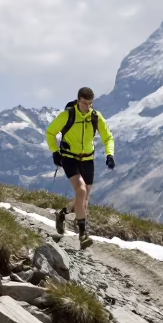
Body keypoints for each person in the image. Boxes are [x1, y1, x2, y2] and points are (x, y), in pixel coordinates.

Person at [45, 86, 115, 249]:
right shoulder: (67, 115)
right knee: (81, 191)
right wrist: (55, 152)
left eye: (90, 104)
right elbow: (50, 132)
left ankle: (62, 213)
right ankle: (83, 234)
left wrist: (109, 154)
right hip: (69, 158)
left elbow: (108, 137)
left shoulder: (95, 117)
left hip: (87, 159)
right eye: (84, 103)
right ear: (78, 101)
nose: (87, 107)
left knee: (84, 197)